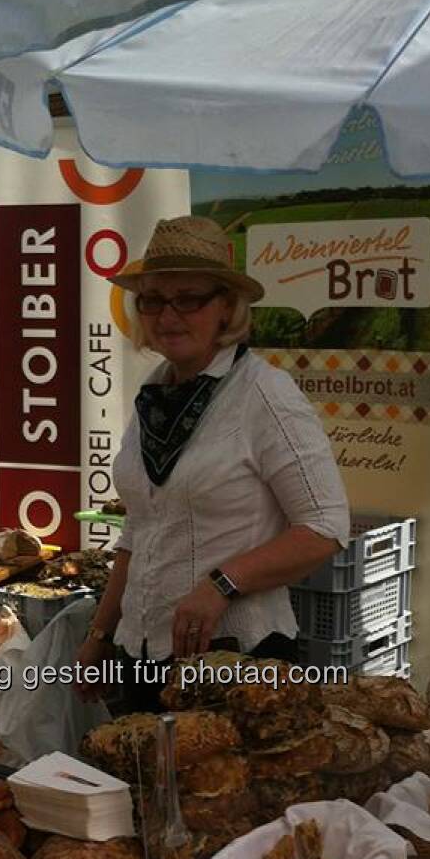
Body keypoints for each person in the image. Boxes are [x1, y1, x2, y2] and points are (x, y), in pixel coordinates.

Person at [75, 215, 350, 712]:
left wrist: (223, 583)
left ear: (226, 307)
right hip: (141, 653)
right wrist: (101, 632)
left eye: (189, 299)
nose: (168, 316)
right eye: (154, 300)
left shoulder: (265, 395)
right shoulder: (157, 394)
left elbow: (325, 527)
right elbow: (140, 529)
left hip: (236, 660)